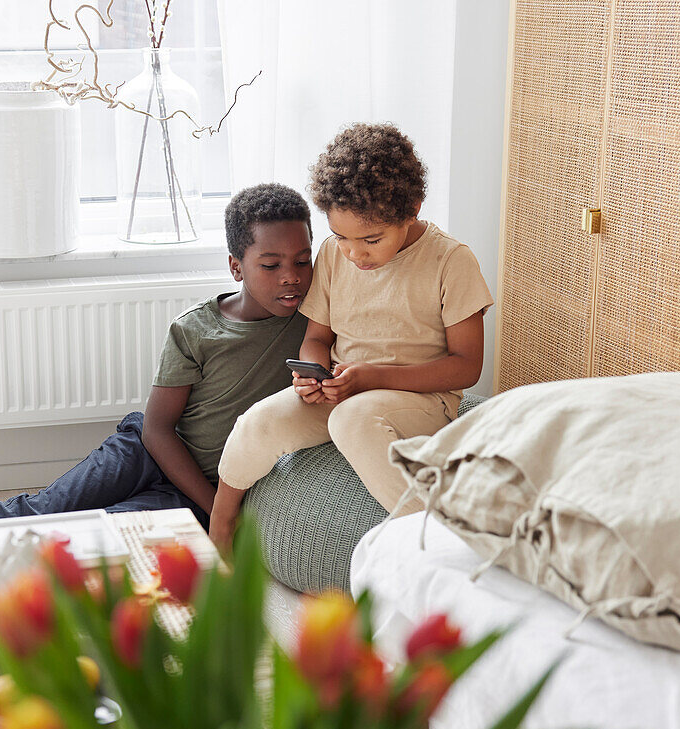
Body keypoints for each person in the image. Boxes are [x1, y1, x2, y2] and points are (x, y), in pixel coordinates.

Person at [0, 183, 314, 602]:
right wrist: (218, 509)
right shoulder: (196, 331)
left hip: (202, 489)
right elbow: (159, 429)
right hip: (150, 451)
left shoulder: (317, 321)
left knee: (79, 539)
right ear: (235, 266)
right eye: (270, 265)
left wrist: (212, 505)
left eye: (302, 260)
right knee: (41, 511)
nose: (290, 277)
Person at [208, 123, 494, 554]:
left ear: (412, 208)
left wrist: (371, 377)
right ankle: (219, 531)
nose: (354, 253)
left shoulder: (450, 261)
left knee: (353, 419)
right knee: (257, 423)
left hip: (421, 399)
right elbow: (317, 337)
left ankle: (439, 545)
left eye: (371, 239)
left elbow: (467, 366)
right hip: (342, 386)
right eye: (341, 237)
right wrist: (313, 374)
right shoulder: (331, 255)